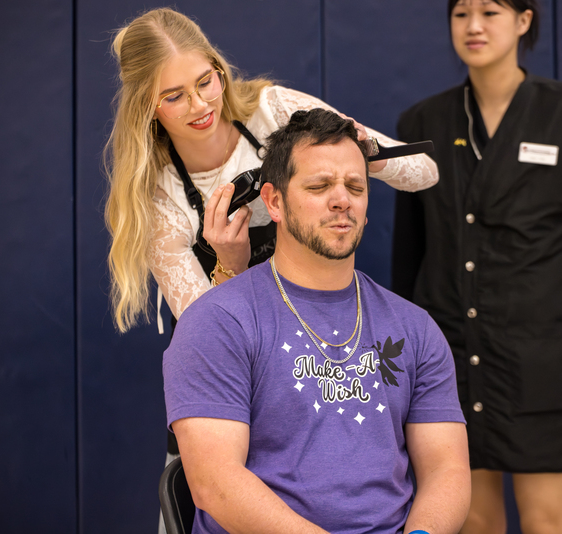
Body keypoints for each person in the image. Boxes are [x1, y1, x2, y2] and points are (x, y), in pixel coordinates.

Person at [391, 1, 562, 533]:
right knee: (474, 520)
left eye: (490, 11)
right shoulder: (422, 122)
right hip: (452, 356)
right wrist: (400, 360)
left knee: (548, 522)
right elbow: (409, 252)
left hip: (545, 361)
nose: (474, 26)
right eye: (461, 13)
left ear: (525, 20)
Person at [164, 109, 471, 534]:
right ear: (274, 201)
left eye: (355, 186)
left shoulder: (414, 328)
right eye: (319, 185)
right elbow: (216, 485)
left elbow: (446, 470)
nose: (341, 199)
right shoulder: (218, 322)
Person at [103, 7, 439, 337]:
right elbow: (207, 341)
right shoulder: (160, 199)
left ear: (219, 69)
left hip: (320, 326)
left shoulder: (272, 110)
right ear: (146, 107)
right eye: (175, 96)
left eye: (206, 82)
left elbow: (427, 172)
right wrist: (229, 266)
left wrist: (366, 156)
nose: (200, 105)